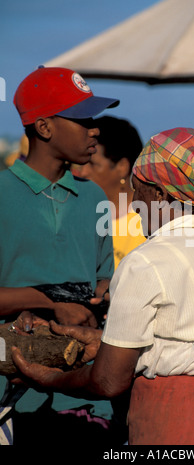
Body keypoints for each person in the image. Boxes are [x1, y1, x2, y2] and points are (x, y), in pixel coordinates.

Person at [12, 127, 194, 445]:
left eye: (137, 191)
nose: (134, 205)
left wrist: (51, 378)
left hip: (180, 420)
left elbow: (109, 381)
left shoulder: (148, 260)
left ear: (158, 194)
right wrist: (105, 341)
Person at [0, 65, 120, 446]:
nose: (95, 128)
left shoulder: (94, 198)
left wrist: (104, 296)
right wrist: (51, 301)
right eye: (82, 118)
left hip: (82, 395)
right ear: (45, 127)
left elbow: (103, 279)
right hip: (10, 397)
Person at [79, 116, 145, 268]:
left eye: (92, 164)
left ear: (122, 167)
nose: (83, 172)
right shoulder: (76, 212)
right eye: (81, 163)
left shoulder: (148, 224)